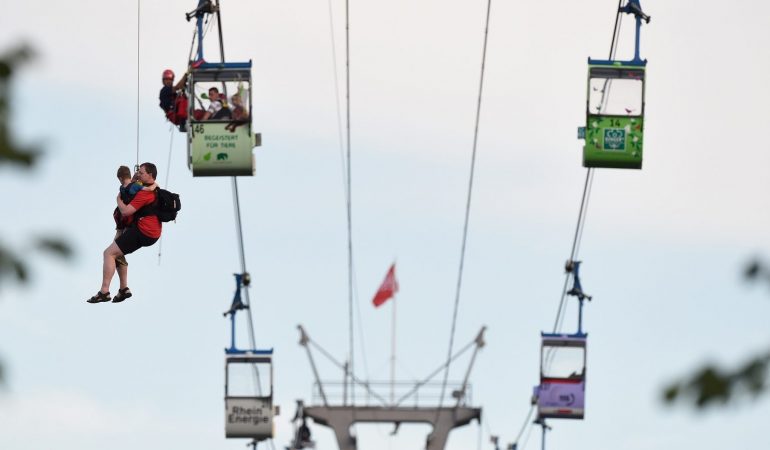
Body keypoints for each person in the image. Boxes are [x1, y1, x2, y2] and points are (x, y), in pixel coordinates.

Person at [88, 163, 162, 304]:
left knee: (108, 253)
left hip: (144, 231)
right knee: (117, 253)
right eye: (137, 172)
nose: (138, 174)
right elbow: (139, 185)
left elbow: (126, 211)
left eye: (141, 172)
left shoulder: (145, 193)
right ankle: (123, 289)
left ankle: (104, 292)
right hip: (151, 232)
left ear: (150, 175)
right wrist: (135, 179)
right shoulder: (151, 188)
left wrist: (118, 200)